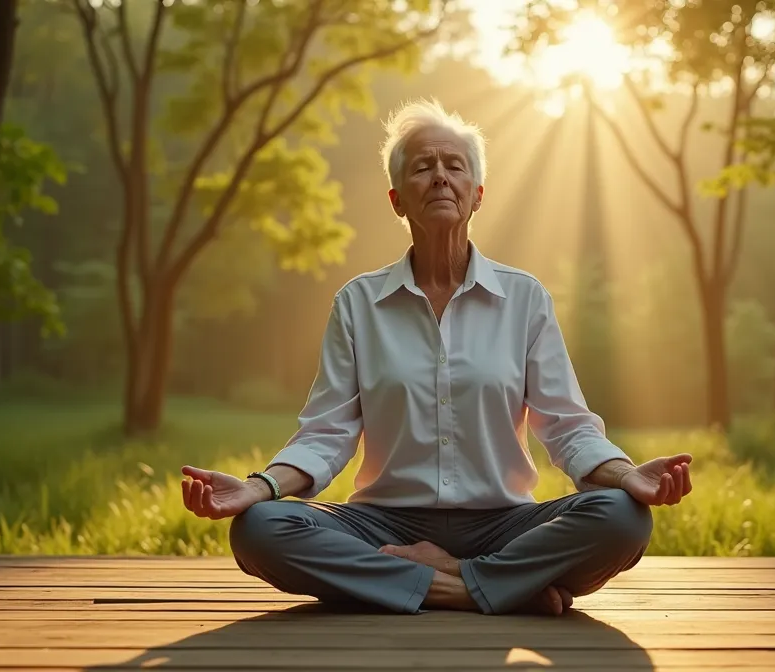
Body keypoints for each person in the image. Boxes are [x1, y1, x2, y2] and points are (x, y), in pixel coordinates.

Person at [180, 98, 693, 617]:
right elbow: (327, 433)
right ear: (397, 199)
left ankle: (438, 580)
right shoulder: (358, 303)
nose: (440, 178)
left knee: (624, 518)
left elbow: (565, 426)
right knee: (260, 529)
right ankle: (490, 587)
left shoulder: (525, 299)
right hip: (384, 522)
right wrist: (257, 487)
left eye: (455, 167)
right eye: (423, 168)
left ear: (477, 196)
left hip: (504, 524)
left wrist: (627, 475)